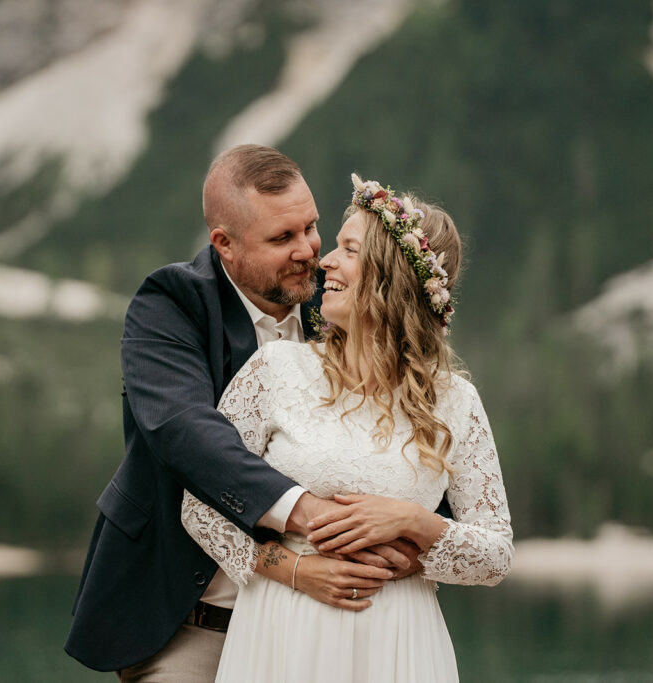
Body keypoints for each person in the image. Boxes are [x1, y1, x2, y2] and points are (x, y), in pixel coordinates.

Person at [65, 147, 427, 681]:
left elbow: (413, 432)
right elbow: (184, 431)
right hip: (193, 623)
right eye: (282, 238)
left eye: (311, 227)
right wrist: (314, 519)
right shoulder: (171, 303)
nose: (308, 251)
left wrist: (413, 544)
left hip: (323, 632)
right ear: (224, 245)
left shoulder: (337, 303)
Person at [181, 173, 514, 682]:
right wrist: (295, 570)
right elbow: (199, 506)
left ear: (392, 278)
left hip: (398, 640)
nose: (325, 261)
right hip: (283, 629)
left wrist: (412, 522)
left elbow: (494, 556)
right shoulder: (276, 370)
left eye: (350, 250)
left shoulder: (454, 400)